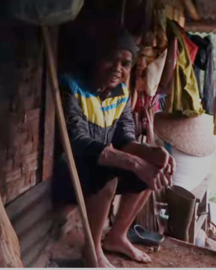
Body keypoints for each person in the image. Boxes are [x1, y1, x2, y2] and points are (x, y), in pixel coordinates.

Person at [52, 29, 175, 267]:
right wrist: (133, 162)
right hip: (67, 176)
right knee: (108, 172)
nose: (117, 68)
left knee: (151, 169)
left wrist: (152, 153)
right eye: (110, 59)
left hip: (94, 171)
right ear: (96, 58)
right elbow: (78, 142)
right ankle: (93, 250)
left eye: (125, 63)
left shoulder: (120, 95)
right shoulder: (71, 87)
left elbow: (124, 140)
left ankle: (117, 237)